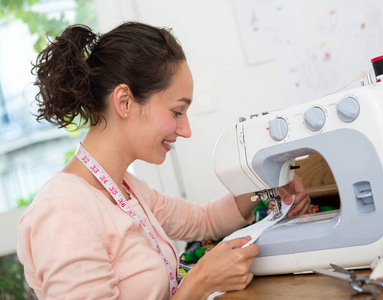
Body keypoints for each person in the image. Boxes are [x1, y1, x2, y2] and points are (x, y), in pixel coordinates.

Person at [17, 21, 311, 299]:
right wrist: (198, 284)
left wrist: (265, 182)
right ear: (125, 102)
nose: (186, 130)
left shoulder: (126, 189)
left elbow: (204, 221)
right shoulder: (64, 213)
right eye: (176, 112)